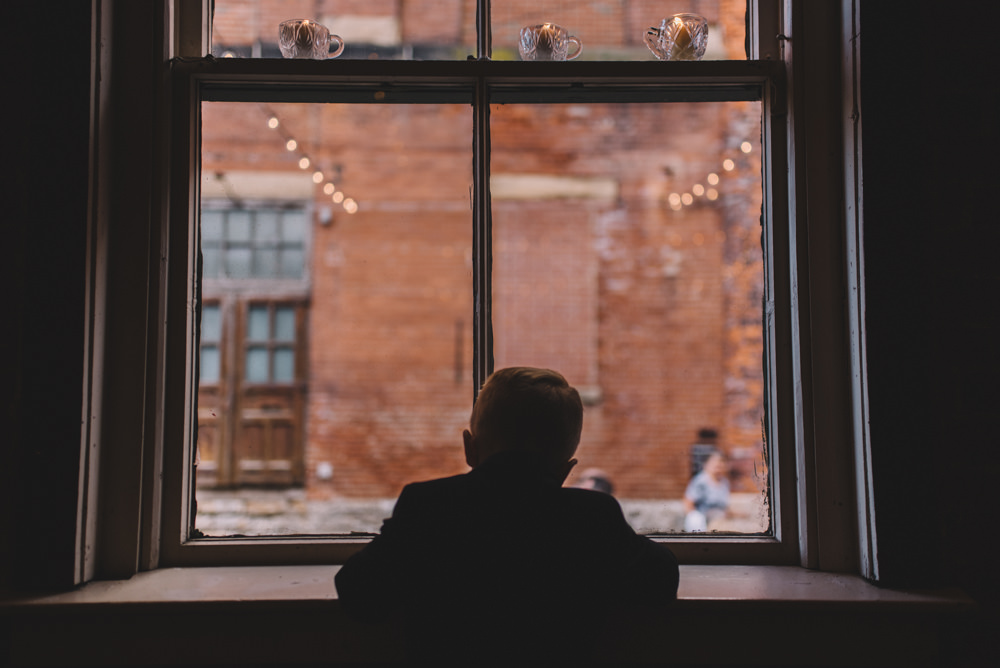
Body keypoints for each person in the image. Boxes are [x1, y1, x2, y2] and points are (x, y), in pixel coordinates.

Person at [335, 367, 679, 663]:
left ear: (470, 447)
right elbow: (660, 583)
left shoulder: (427, 505)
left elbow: (360, 597)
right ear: (565, 469)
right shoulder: (592, 517)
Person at [683, 450, 731, 532]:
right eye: (715, 462)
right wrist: (696, 521)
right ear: (706, 464)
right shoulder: (701, 481)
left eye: (721, 462)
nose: (718, 464)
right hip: (703, 522)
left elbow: (724, 507)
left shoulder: (724, 482)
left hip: (720, 521)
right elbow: (688, 503)